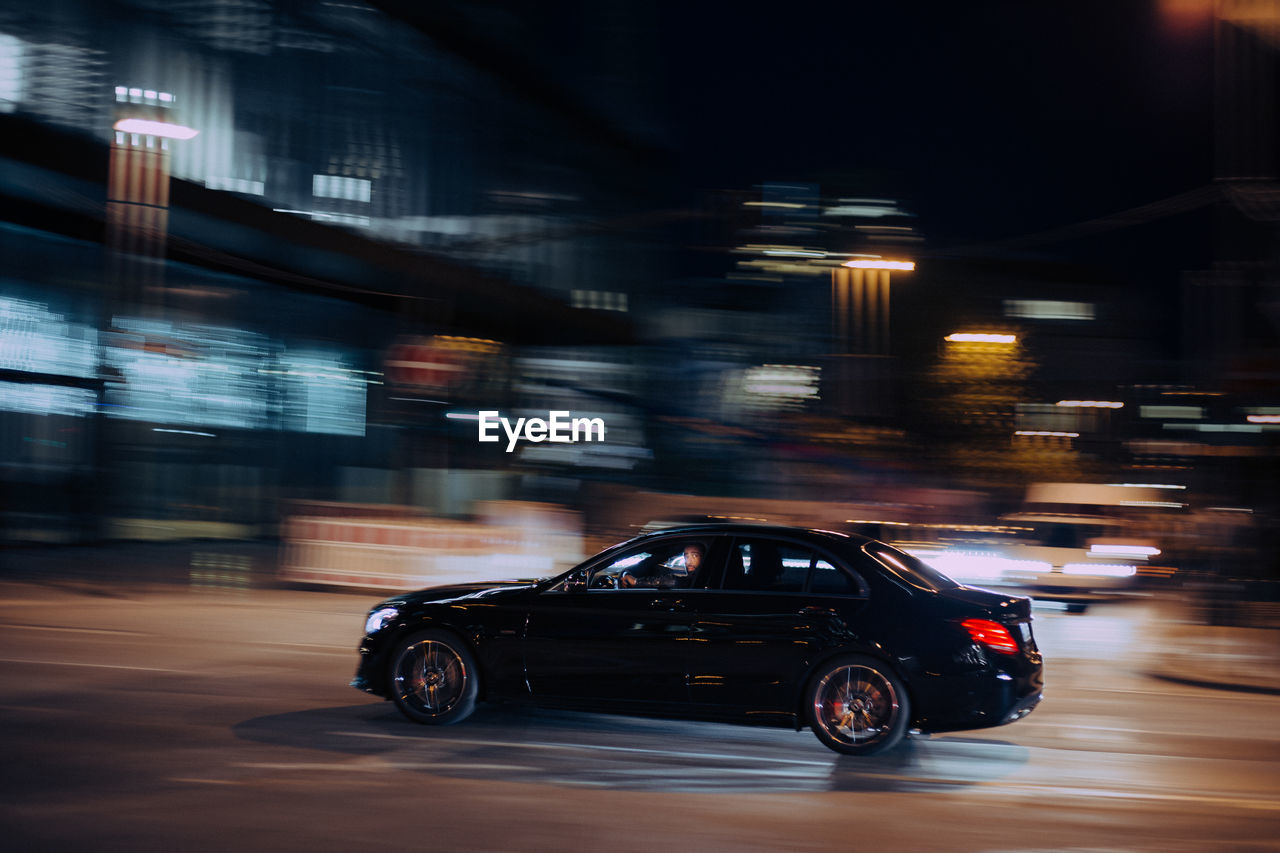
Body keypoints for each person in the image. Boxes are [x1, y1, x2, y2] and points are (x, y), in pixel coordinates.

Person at [621, 542, 705, 588]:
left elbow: (676, 581)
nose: (688, 561)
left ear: (704, 557)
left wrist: (636, 582)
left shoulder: (703, 578)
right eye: (686, 556)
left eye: (695, 556)